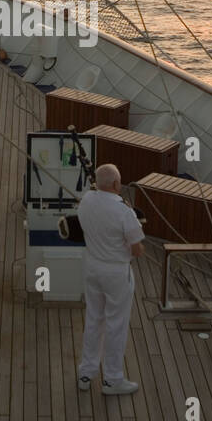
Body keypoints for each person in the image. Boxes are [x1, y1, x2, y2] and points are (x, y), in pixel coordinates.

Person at [76, 163, 144, 395]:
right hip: (115, 272)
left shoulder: (86, 200)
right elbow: (136, 250)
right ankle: (112, 380)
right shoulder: (124, 212)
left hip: (92, 266)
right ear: (116, 184)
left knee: (94, 318)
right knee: (116, 324)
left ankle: (86, 373)